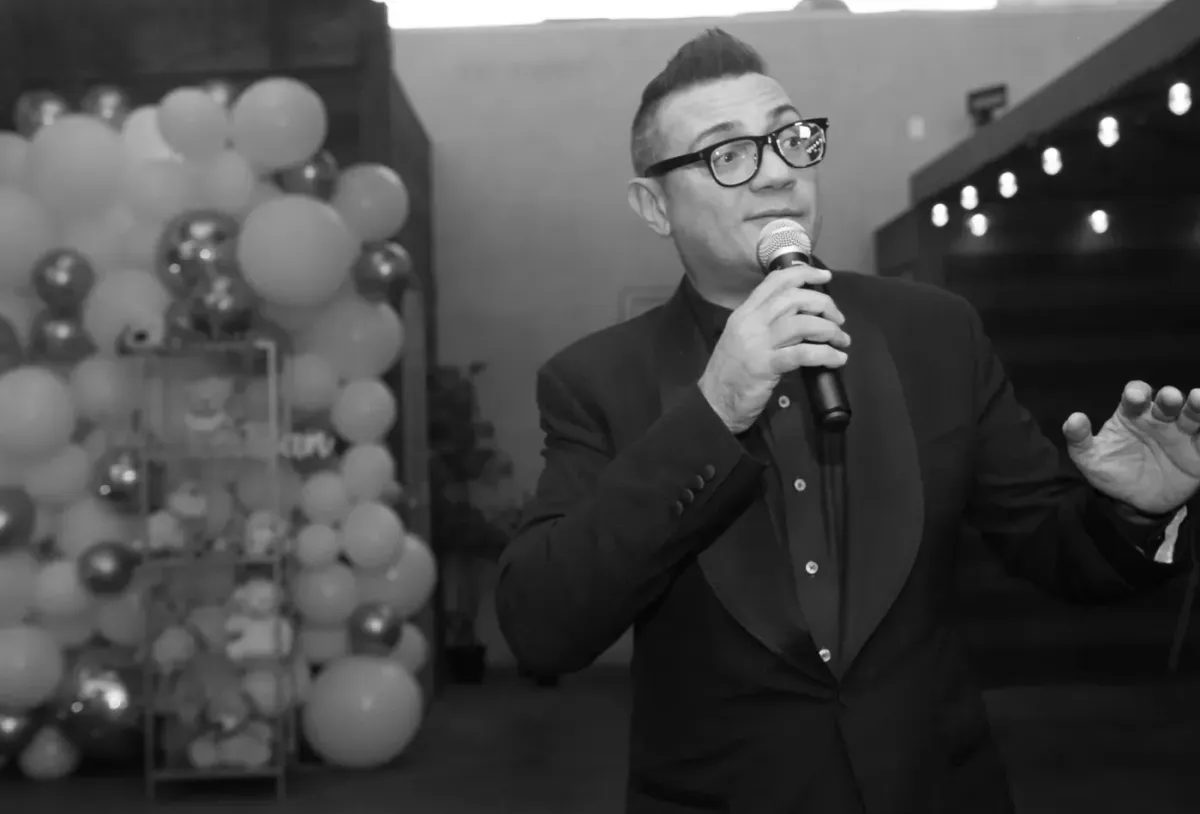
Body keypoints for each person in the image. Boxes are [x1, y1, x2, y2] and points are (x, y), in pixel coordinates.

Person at [494, 28, 1200, 814]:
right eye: (728, 154)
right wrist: (714, 411)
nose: (777, 172)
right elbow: (544, 626)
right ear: (654, 206)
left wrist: (1135, 514)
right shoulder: (596, 381)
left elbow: (1050, 546)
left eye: (790, 139)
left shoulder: (935, 333)